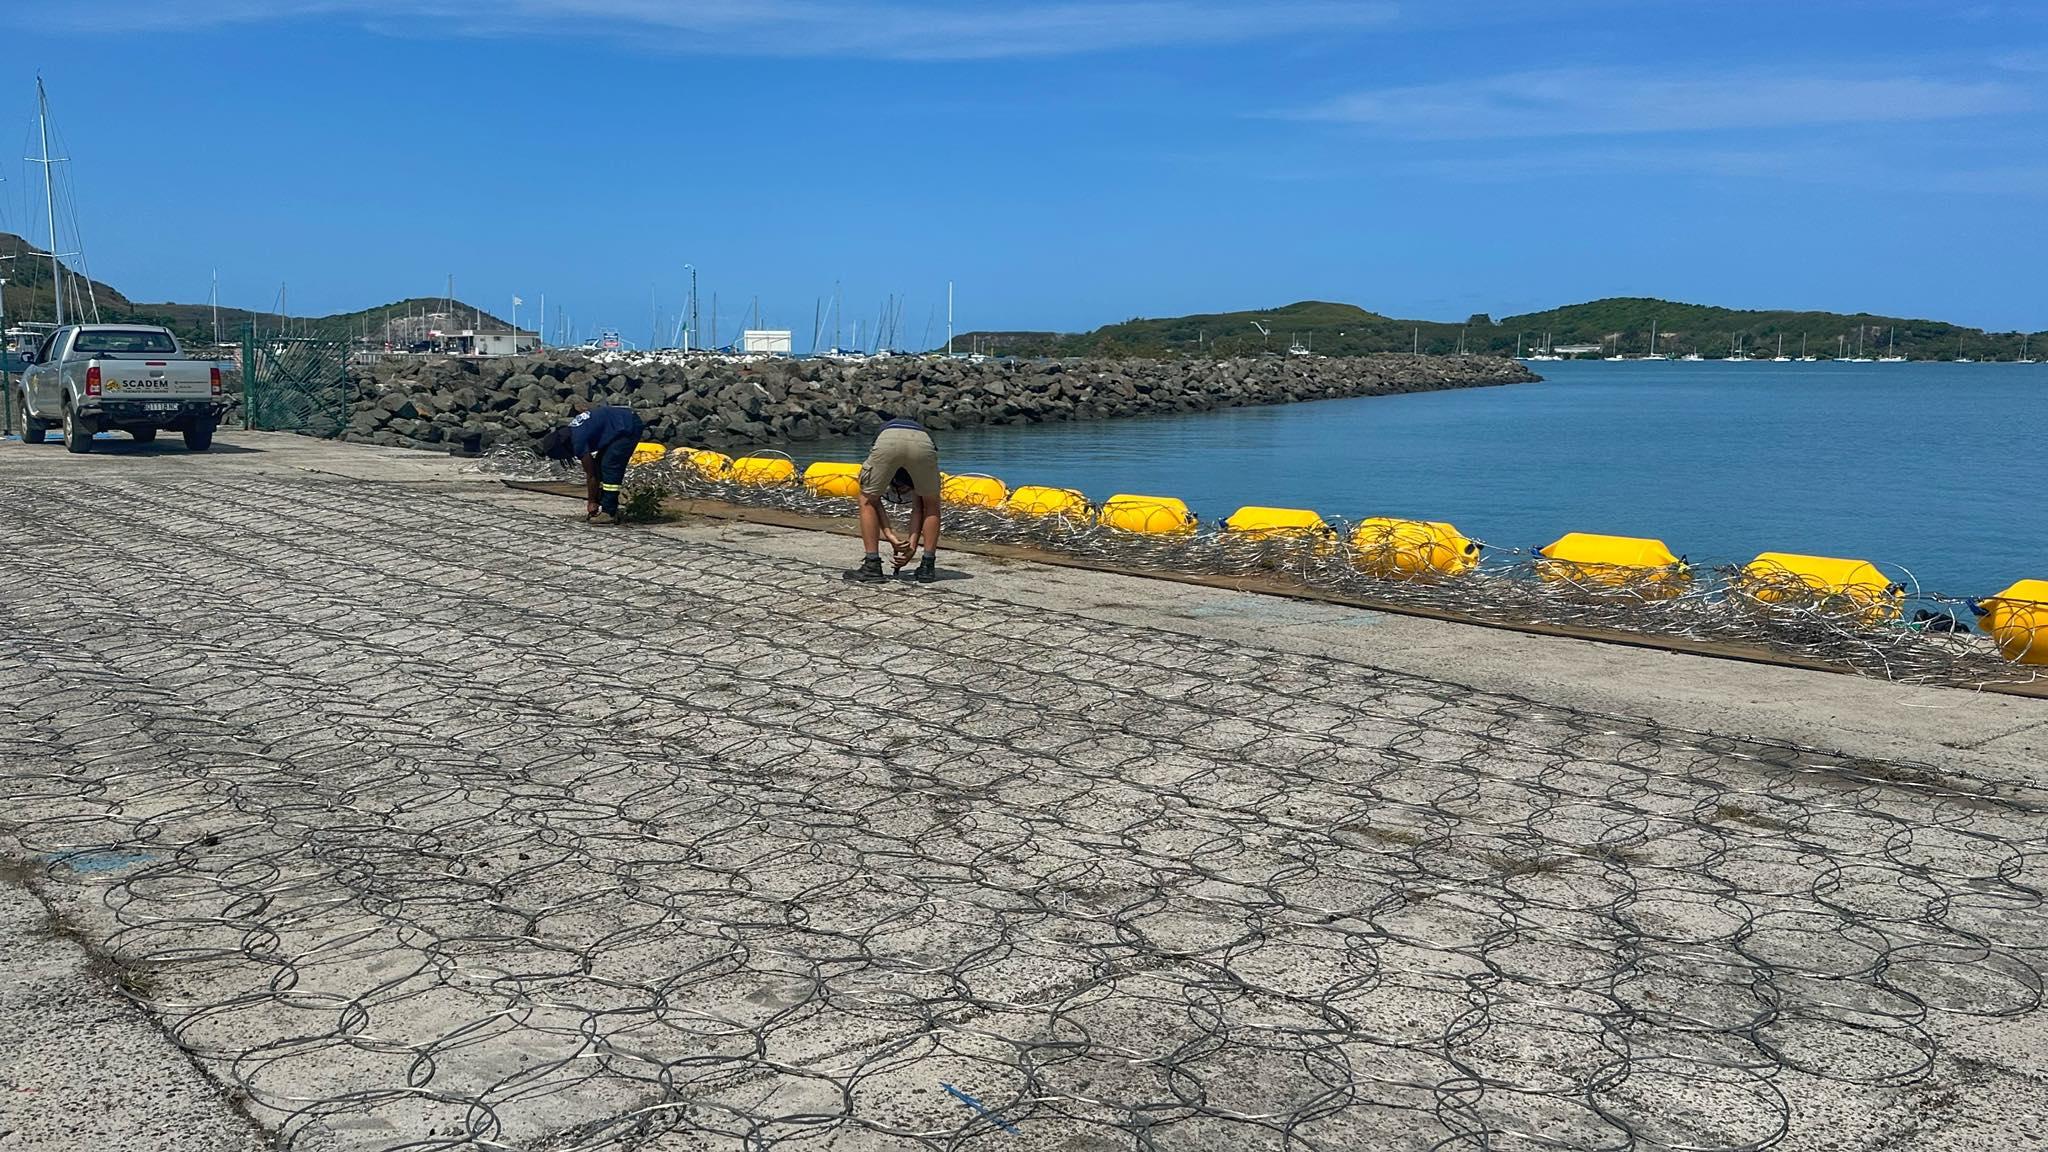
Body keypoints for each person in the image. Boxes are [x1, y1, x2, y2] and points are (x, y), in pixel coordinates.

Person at [847, 414, 941, 583]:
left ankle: (872, 565)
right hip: (923, 441)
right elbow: (919, 509)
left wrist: (892, 537)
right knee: (931, 505)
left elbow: (874, 503)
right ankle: (928, 566)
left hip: (888, 439)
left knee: (866, 499)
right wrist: (909, 546)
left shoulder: (886, 431)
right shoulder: (912, 477)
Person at [538, 404, 645, 522]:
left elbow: (591, 475)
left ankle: (608, 511)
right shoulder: (571, 433)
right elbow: (594, 469)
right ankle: (604, 504)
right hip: (619, 423)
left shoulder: (577, 441)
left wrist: (591, 501)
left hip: (628, 426)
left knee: (610, 465)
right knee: (600, 464)